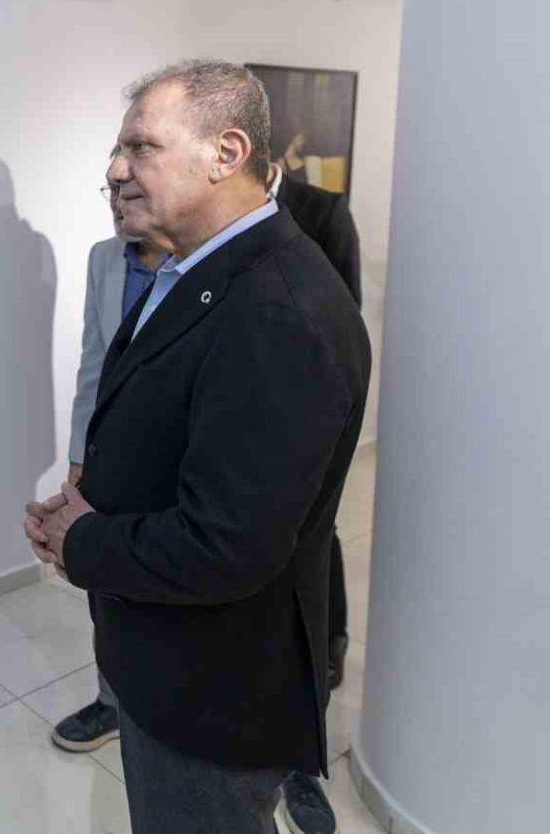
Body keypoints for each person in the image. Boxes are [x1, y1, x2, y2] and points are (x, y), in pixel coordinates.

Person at [27, 60, 370, 834]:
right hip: (166, 661)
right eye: (118, 149)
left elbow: (226, 544)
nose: (115, 169)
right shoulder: (200, 270)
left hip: (211, 696)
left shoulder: (278, 310)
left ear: (227, 152)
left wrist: (83, 542)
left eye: (141, 147)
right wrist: (89, 502)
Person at [50, 180, 166, 753]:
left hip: (172, 456)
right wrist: (78, 456)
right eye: (111, 189)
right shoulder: (104, 258)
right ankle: (112, 701)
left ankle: (161, 709)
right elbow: (92, 364)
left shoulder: (200, 261)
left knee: (164, 584)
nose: (119, 201)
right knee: (104, 584)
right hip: (109, 453)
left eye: (130, 189)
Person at [270, 159, 363, 833]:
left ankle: (306, 759)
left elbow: (344, 324)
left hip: (308, 423)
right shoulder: (213, 219)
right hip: (245, 426)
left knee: (314, 552)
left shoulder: (323, 212)